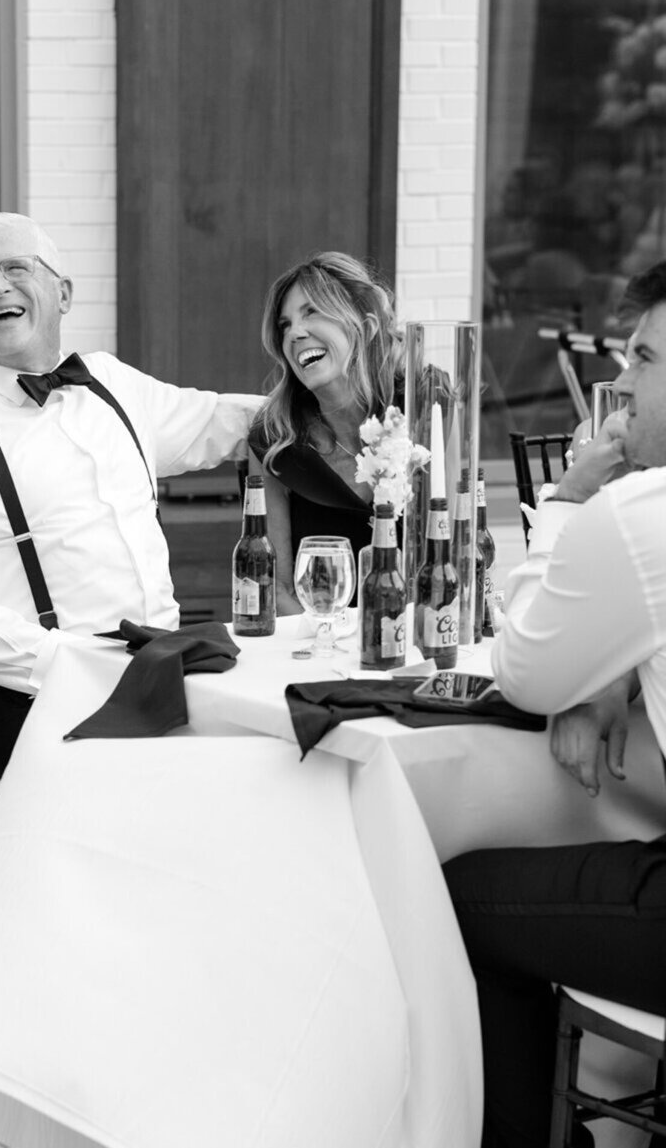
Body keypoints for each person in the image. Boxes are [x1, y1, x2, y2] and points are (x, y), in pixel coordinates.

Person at [0, 212, 261, 779]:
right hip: (35, 701)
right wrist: (65, 662)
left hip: (168, 673)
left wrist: (349, 405)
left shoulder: (110, 383)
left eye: (15, 267)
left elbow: (225, 422)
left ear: (63, 294)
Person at [443, 258, 666, 1148]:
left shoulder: (642, 510)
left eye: (645, 360)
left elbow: (526, 670)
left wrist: (569, 498)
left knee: (460, 895)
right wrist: (610, 668)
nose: (621, 383)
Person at [248, 251, 406, 614]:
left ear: (363, 326)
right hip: (320, 646)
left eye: (311, 312)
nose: (295, 333)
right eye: (285, 324)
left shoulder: (423, 409)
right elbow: (278, 589)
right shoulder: (275, 443)